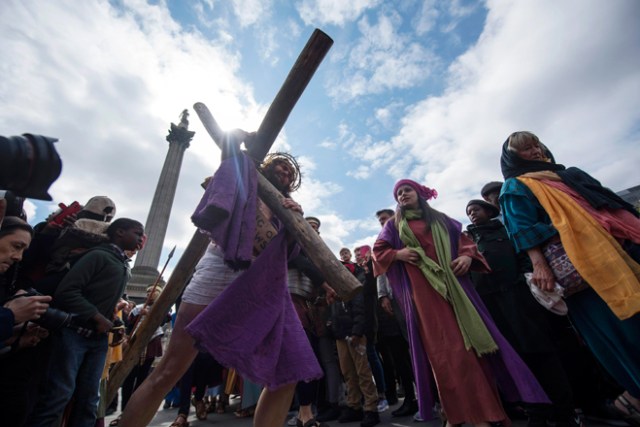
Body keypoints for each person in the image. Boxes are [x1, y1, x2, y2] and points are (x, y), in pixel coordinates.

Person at [119, 149, 319, 427]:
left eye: (290, 173)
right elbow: (229, 163)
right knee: (170, 369)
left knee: (289, 371)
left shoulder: (286, 208)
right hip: (222, 267)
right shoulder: (245, 180)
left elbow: (292, 253)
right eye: (281, 167)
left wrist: (295, 222)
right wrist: (237, 146)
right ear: (266, 166)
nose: (285, 173)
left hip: (264, 283)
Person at [372, 179, 549, 426]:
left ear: (418, 193)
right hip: (424, 296)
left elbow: (466, 244)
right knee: (444, 353)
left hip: (458, 289)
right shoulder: (393, 226)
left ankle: (486, 412)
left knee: (474, 350)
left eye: (407, 190)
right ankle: (462, 414)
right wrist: (397, 253)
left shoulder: (441, 219)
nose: (402, 194)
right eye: (398, 193)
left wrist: (466, 257)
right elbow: (378, 251)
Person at [499, 131, 640, 426]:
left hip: (618, 257)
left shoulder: (568, 175)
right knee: (618, 331)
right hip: (582, 272)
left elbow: (609, 205)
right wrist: (540, 266)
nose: (535, 151)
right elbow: (521, 228)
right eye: (525, 149)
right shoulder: (516, 186)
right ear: (513, 158)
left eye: (536, 145)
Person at [466, 199, 579, 426]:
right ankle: (537, 413)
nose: (472, 215)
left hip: (519, 300)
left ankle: (565, 413)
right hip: (492, 307)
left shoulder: (507, 230)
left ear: (489, 211)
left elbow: (525, 259)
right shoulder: (468, 242)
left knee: (541, 353)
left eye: (476, 210)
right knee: (516, 359)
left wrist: (522, 285)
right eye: (468, 213)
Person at [28, 218, 145, 427]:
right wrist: (96, 316)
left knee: (90, 400)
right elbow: (67, 291)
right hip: (73, 334)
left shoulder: (122, 266)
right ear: (119, 232)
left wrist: (114, 323)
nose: (141, 238)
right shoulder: (98, 256)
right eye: (137, 233)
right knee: (59, 395)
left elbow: (103, 302)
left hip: (98, 340)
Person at [374, 208, 417, 418]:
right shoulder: (381, 240)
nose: (383, 222)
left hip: (412, 294)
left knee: (418, 347)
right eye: (380, 220)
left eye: (386, 218)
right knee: (400, 354)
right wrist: (383, 295)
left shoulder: (406, 231)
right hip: (393, 301)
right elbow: (380, 270)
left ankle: (434, 398)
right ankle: (411, 398)